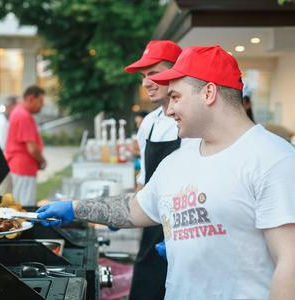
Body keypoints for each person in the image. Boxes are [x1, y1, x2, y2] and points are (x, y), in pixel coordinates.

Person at [35, 45, 295, 300]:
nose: (169, 110)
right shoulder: (176, 162)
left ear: (208, 93)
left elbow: (290, 263)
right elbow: (135, 209)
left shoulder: (272, 159)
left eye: (176, 97)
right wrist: (76, 208)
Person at [124, 40, 182, 300]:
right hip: (153, 226)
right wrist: (127, 212)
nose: (147, 82)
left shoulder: (195, 120)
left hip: (187, 226)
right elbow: (144, 181)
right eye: (144, 76)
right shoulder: (149, 123)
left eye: (155, 73)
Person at [5, 85, 46, 207]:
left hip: (20, 166)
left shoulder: (19, 112)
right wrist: (42, 160)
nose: (41, 106)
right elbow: (32, 148)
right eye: (40, 102)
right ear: (31, 98)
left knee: (19, 205)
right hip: (23, 167)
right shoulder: (23, 115)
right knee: (25, 207)